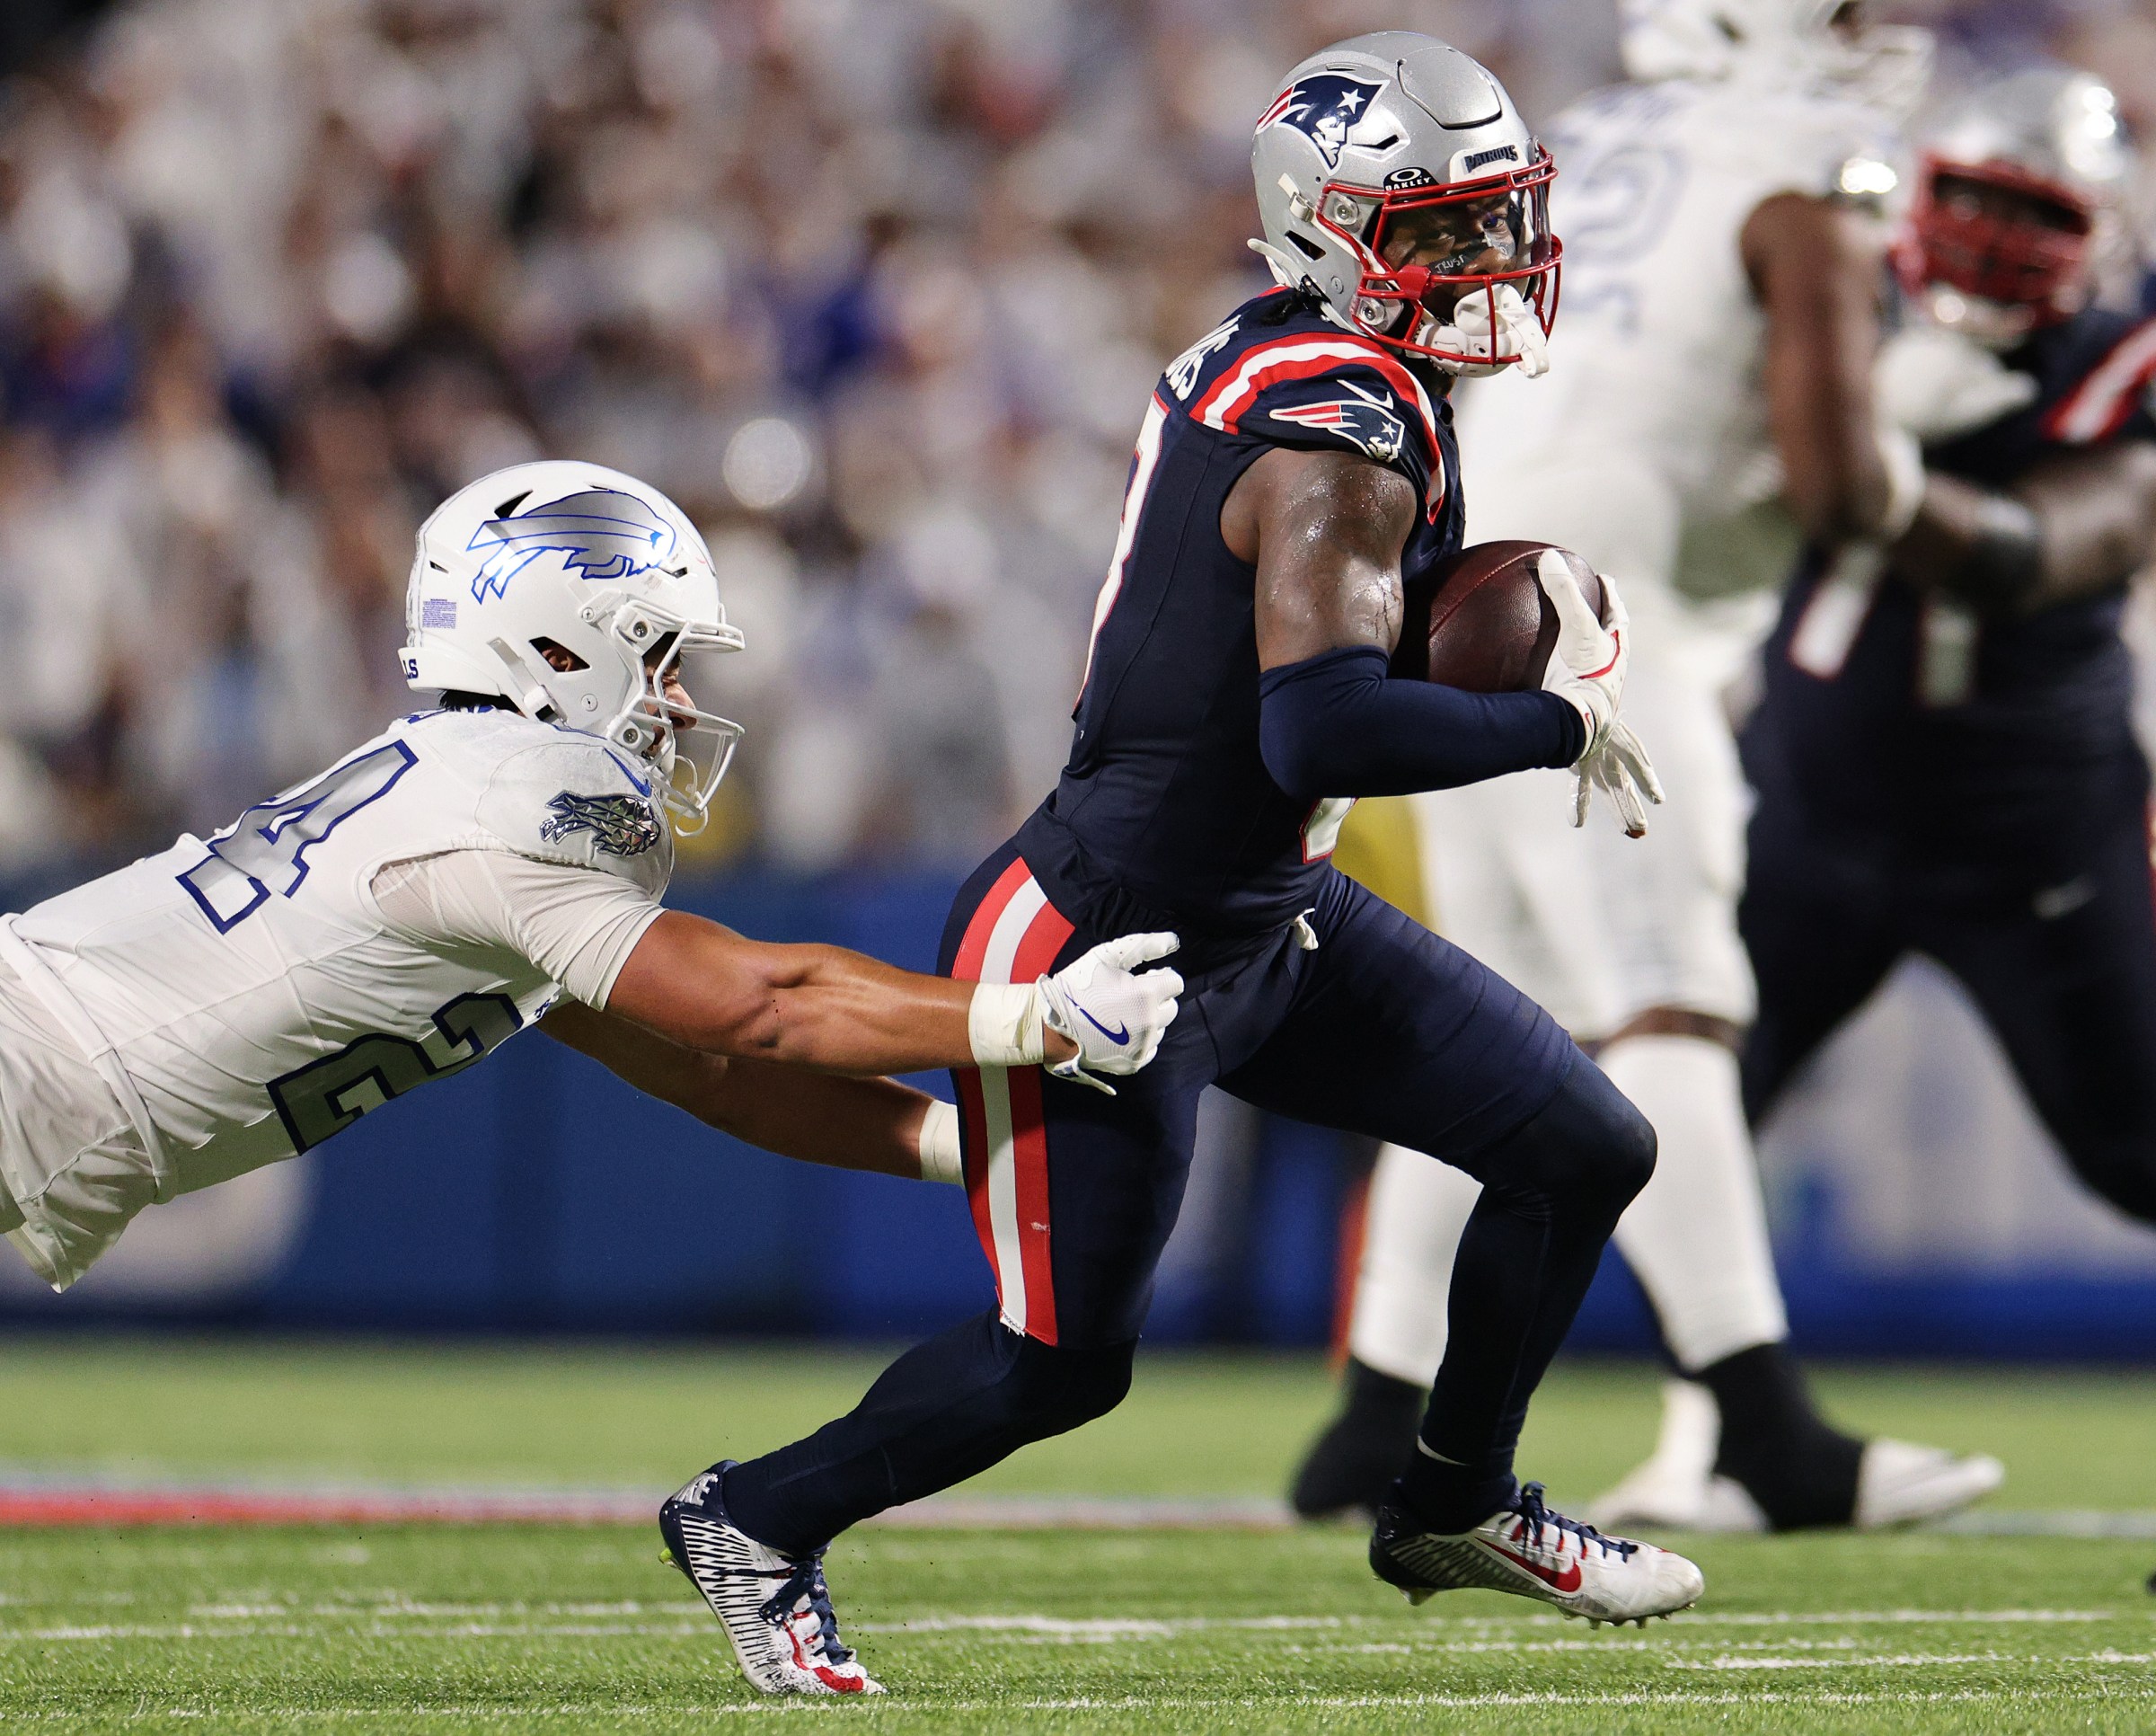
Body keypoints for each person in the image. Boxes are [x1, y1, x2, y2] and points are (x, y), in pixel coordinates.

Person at [657, 32, 1703, 1701]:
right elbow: (1320, 734)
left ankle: (1450, 1501)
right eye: (1438, 234)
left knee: (1585, 1144)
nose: (1484, 266)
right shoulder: (1336, 431)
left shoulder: (1341, 368)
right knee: (1058, 1371)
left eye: (1493, 223)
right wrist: (1552, 728)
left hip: (1264, 915)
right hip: (1103, 944)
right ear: (1326, 232)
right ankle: (756, 1516)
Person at [1291, 0, 2001, 1536]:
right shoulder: (1799, 173)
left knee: (1506, 1024)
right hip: (1616, 613)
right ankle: (1759, 1423)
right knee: (1669, 1009)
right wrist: (1920, 448)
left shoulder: (1603, 134)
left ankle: (1371, 1413)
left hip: (1475, 581)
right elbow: (1835, 479)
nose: (1882, 28)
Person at [0, 458, 1184, 1303]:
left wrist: (966, 1149)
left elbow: (711, 1068)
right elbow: (759, 1007)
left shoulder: (470, 785)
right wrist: (1038, 1020)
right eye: (656, 656)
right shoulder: (527, 793)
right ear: (561, 648)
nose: (674, 699)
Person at [1745, 69, 2156, 1296]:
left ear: (2100, 233)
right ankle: (1701, 1425)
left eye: (2031, 211)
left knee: (2139, 1153)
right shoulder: (1837, 301)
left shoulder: (2121, 364)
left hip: (2027, 836)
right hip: (1808, 810)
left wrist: (1884, 475)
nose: (1989, 234)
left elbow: (2042, 553)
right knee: (1655, 1119)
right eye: (1970, 195)